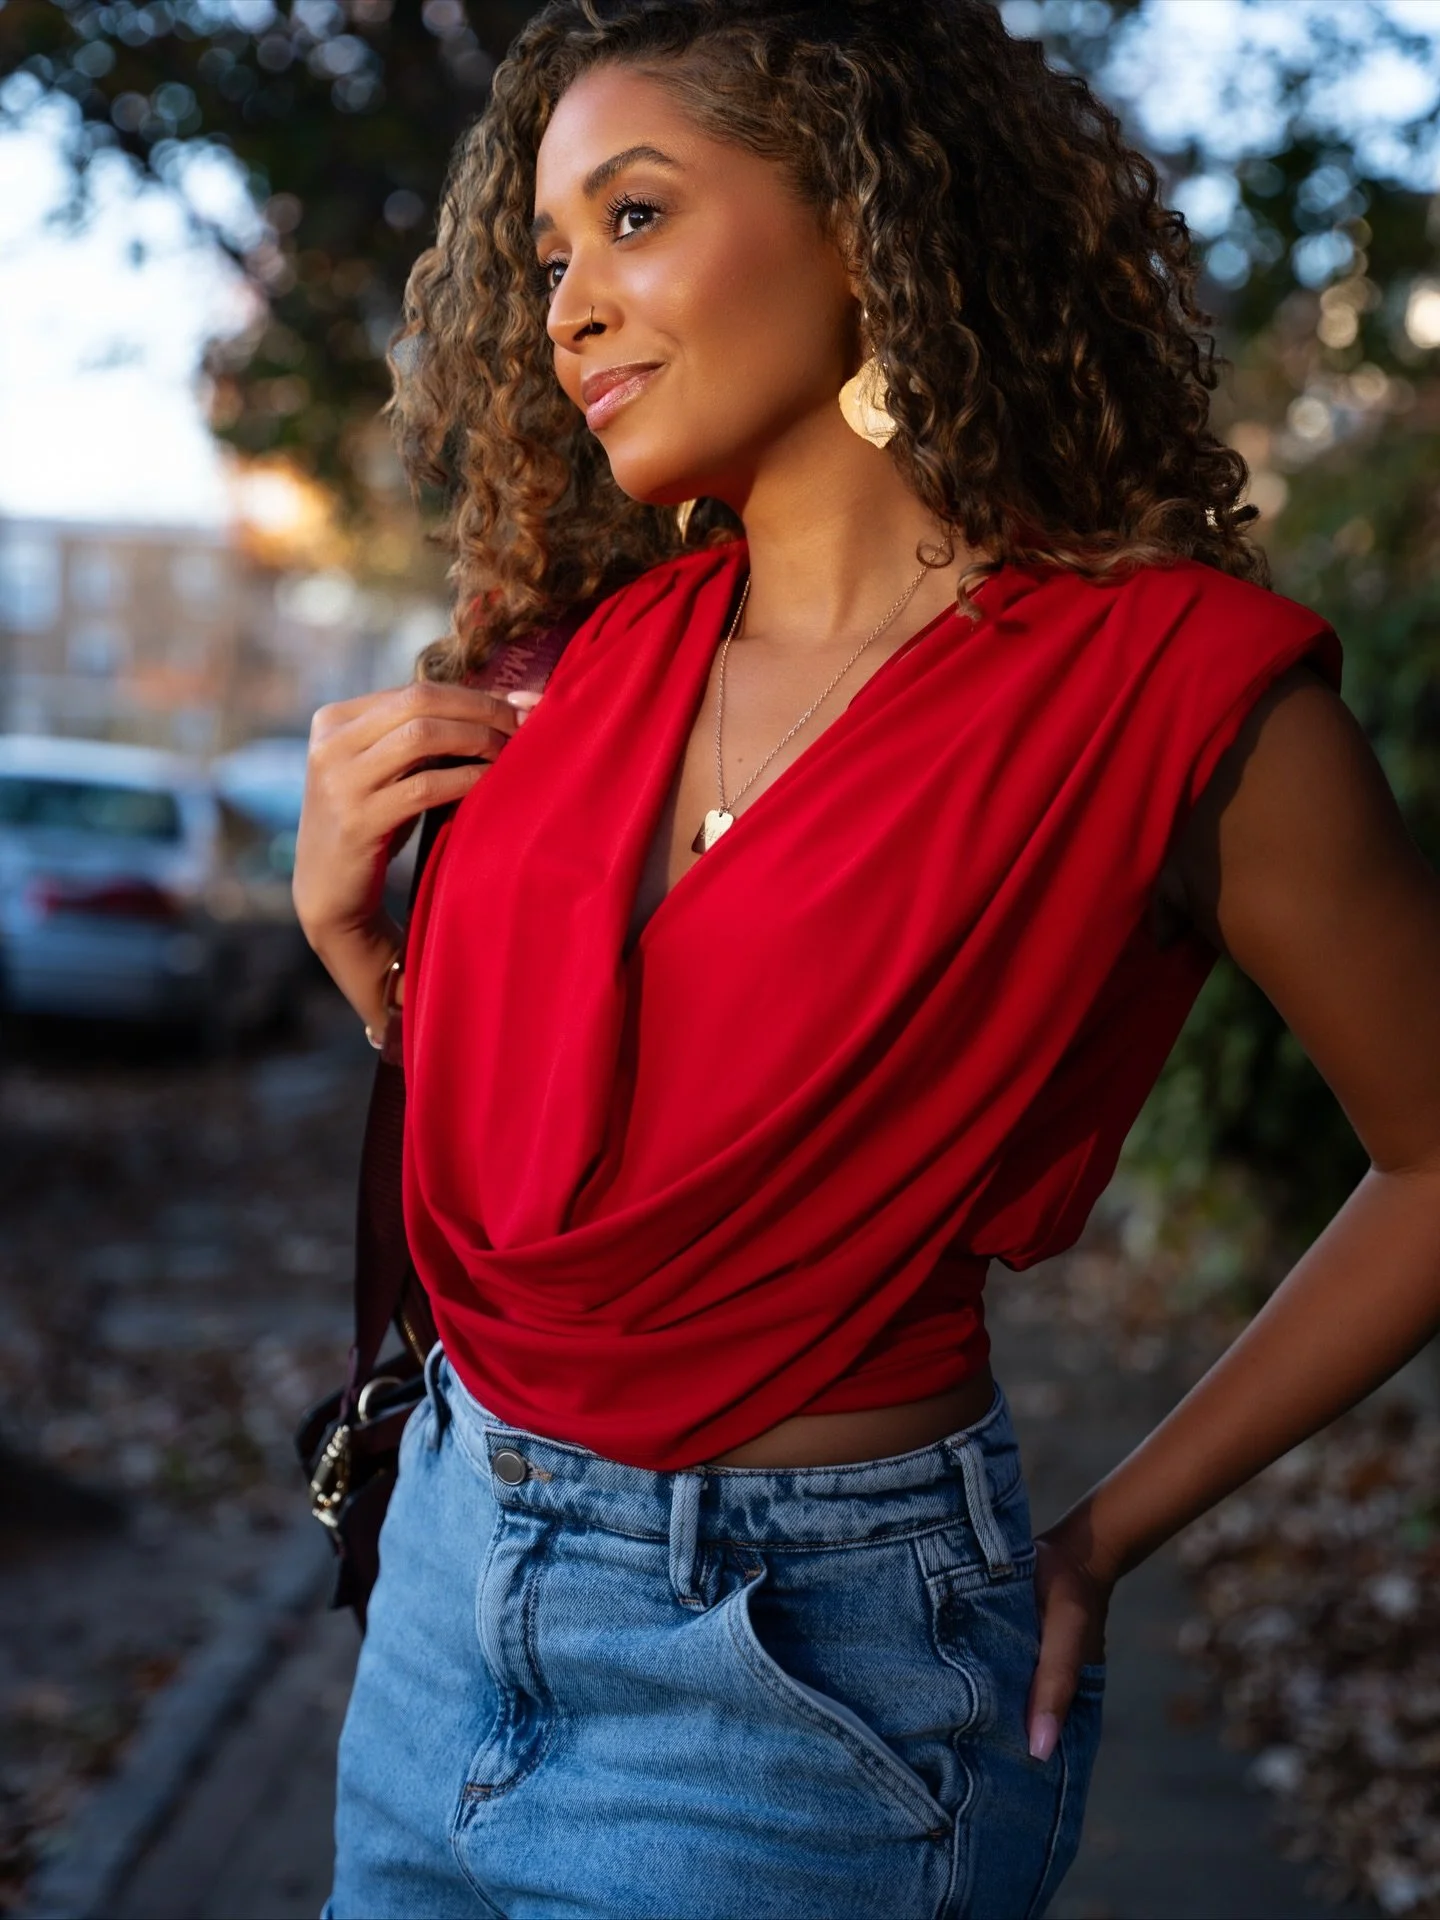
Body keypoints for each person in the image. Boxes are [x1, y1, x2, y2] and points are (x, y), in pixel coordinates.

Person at [293, 2, 1440, 1915]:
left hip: (810, 1678)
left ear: (866, 221)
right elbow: (585, 1159)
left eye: (636, 218)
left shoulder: (1171, 694)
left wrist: (1104, 1537)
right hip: (441, 1598)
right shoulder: (569, 669)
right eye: (551, 256)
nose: (569, 305)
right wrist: (356, 944)